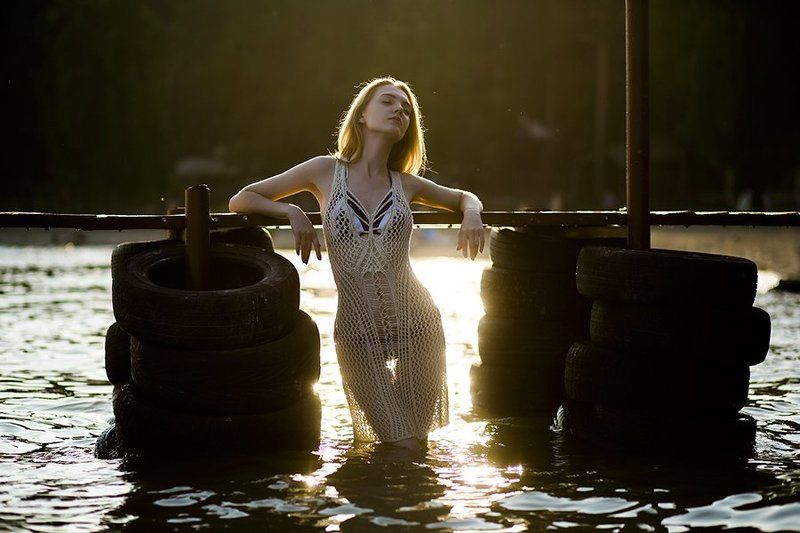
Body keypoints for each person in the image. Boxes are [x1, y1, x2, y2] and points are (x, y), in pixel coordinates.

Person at [228, 77, 485, 451]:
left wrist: (473, 213)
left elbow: (464, 197)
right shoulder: (323, 171)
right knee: (402, 443)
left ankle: (401, 507)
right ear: (362, 115)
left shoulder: (406, 184)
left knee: (416, 445)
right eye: (388, 102)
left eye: (407, 109)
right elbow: (243, 198)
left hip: (419, 326)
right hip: (357, 333)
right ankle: (385, 506)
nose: (400, 110)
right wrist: (292, 211)